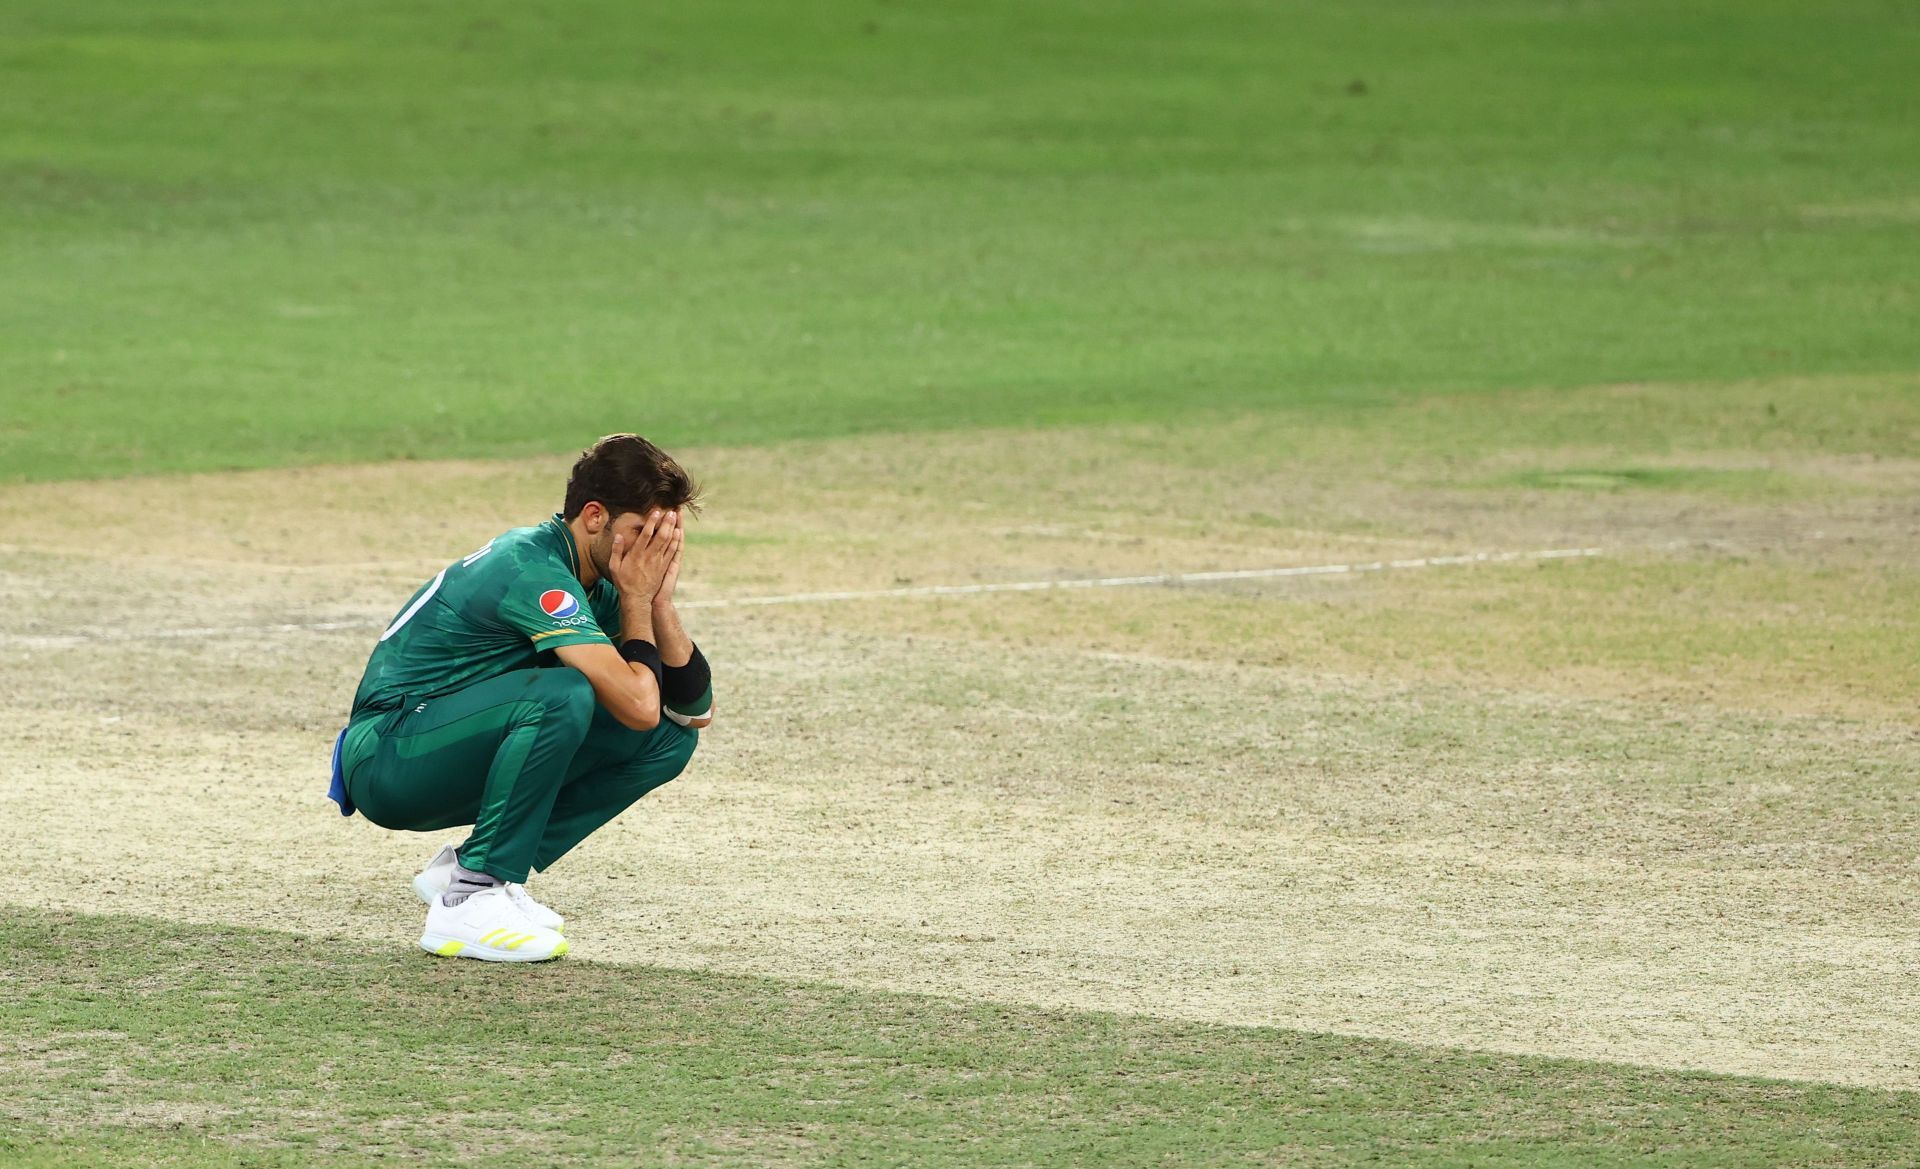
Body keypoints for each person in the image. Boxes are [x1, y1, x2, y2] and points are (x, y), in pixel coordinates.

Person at [327, 434, 713, 962]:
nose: (652, 553)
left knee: (667, 743)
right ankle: (470, 896)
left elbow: (689, 713)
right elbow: (640, 704)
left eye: (664, 540)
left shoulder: (599, 583)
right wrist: (639, 599)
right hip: (388, 757)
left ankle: (461, 870)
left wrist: (658, 602)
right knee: (563, 696)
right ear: (595, 516)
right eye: (643, 534)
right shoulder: (534, 570)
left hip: (439, 747)